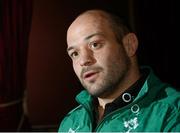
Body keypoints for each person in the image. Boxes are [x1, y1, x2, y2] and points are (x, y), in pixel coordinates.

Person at [58, 9, 180, 132]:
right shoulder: (71, 122)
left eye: (95, 44)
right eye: (74, 53)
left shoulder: (172, 113)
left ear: (129, 45)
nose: (83, 61)